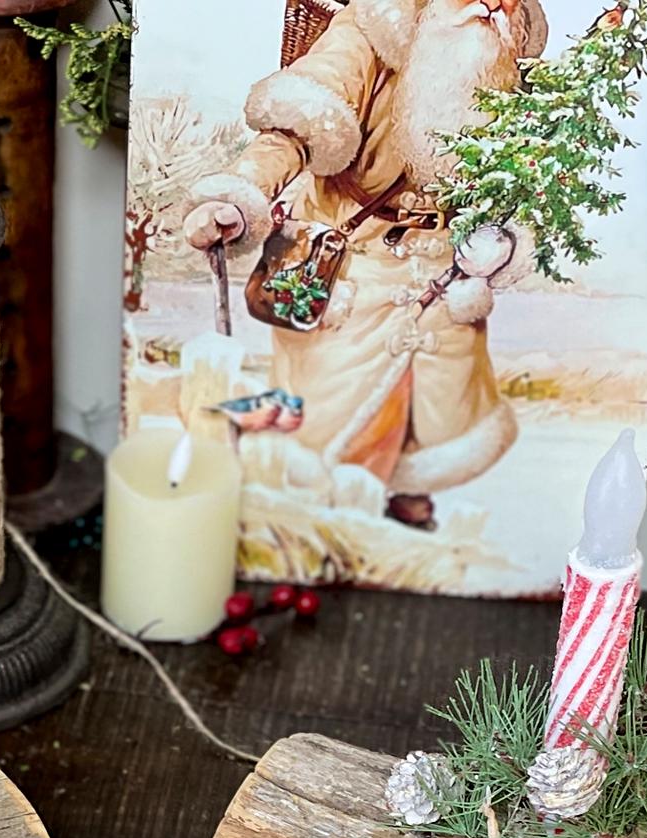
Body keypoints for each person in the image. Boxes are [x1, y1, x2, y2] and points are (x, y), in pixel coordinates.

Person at [182, 0, 545, 527]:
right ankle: (318, 525)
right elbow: (297, 124)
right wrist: (242, 195)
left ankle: (403, 502)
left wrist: (503, 241)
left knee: (436, 407)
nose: (493, 4)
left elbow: (525, 175)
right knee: (329, 421)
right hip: (349, 260)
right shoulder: (375, 23)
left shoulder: (512, 53)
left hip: (444, 268)